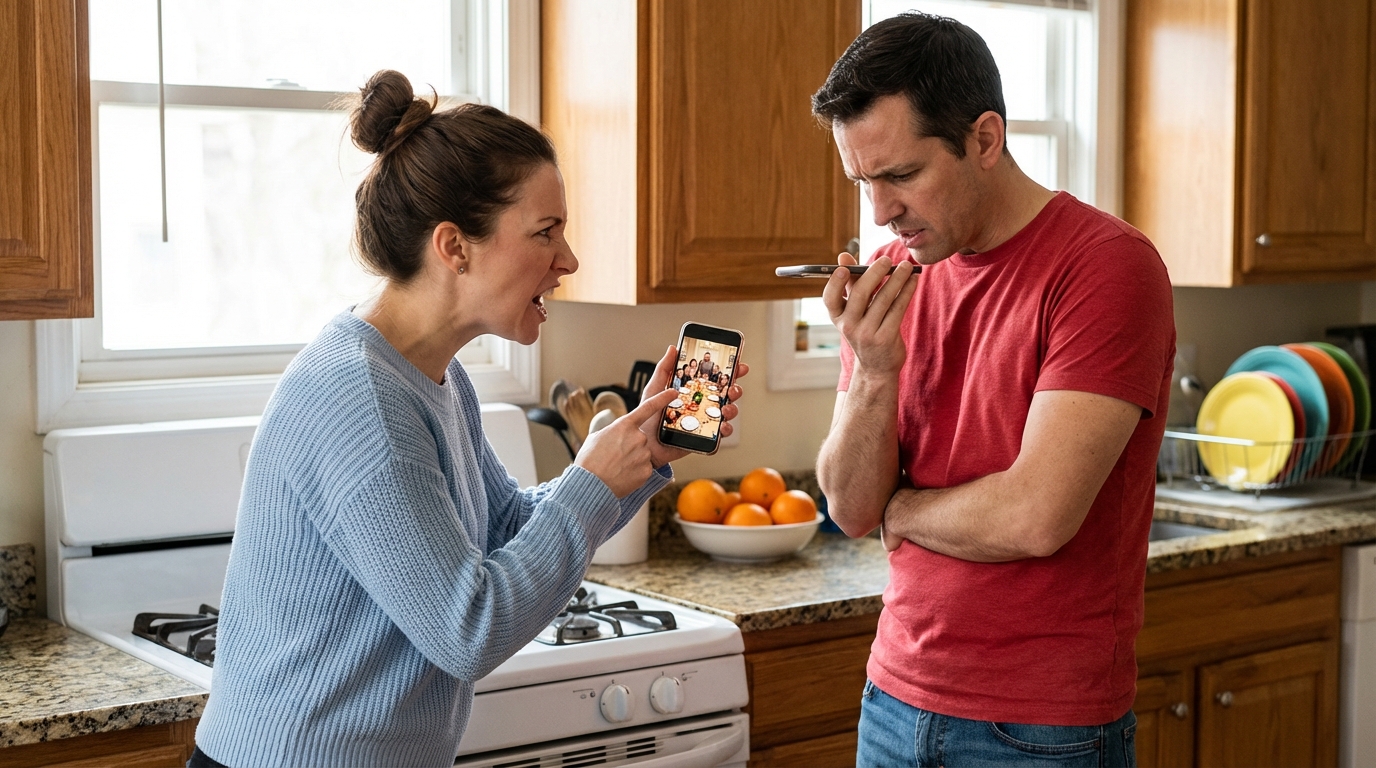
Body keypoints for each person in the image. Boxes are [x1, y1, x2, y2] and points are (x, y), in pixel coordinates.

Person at [190, 70, 748, 768]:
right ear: (454, 247)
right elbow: (469, 628)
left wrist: (636, 450)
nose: (567, 261)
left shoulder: (431, 373)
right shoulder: (360, 399)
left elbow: (505, 524)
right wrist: (593, 483)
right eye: (546, 233)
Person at [812, 14, 1174, 768]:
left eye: (902, 176)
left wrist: (904, 508)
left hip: (1043, 727)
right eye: (862, 181)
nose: (880, 212)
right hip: (893, 698)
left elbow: (1036, 516)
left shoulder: (1106, 268)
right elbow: (850, 508)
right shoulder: (896, 273)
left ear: (984, 139)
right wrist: (873, 371)